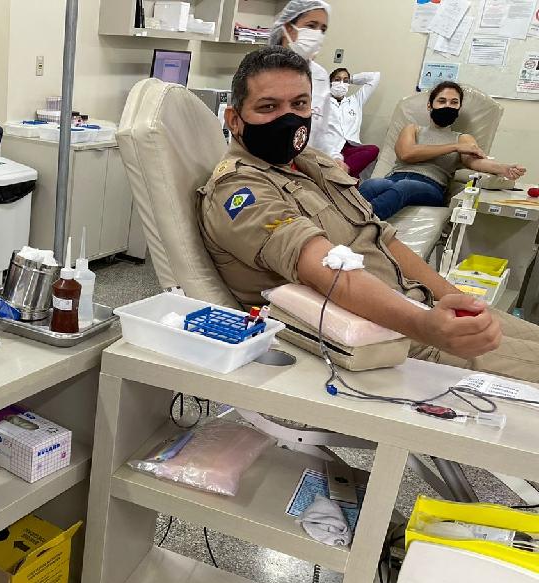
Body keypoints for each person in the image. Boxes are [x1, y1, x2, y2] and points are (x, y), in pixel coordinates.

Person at [196, 47, 539, 384]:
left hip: (417, 303)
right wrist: (426, 327)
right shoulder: (240, 190)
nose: (289, 118)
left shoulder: (312, 162)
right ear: (234, 119)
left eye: (299, 104)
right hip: (391, 339)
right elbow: (326, 267)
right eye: (268, 107)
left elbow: (380, 237)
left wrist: (448, 296)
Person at [359, 81, 526, 220]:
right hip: (395, 177)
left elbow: (475, 162)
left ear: (459, 108)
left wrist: (504, 168)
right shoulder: (412, 129)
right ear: (430, 105)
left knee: (405, 186)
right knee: (371, 184)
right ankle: (340, 221)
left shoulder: (463, 138)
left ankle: (362, 224)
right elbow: (406, 153)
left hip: (431, 187)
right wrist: (454, 147)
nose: (448, 105)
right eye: (442, 101)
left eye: (454, 102)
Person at [269, 0, 347, 171]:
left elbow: (322, 131)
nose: (318, 34)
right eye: (311, 26)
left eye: (323, 29)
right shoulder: (261, 71)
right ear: (288, 28)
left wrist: (334, 157)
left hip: (308, 169)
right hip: (268, 167)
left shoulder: (319, 76)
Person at [327, 67, 381, 177]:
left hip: (350, 148)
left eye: (345, 80)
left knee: (373, 150)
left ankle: (340, 174)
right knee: (354, 179)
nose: (341, 83)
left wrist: (351, 79)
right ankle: (345, 176)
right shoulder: (322, 102)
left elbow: (375, 76)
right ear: (330, 82)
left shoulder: (355, 101)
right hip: (330, 148)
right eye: (337, 80)